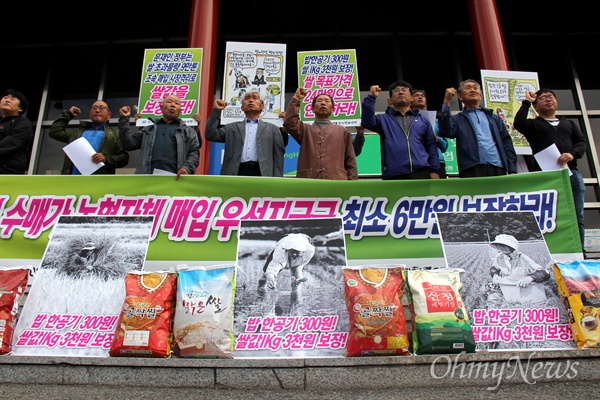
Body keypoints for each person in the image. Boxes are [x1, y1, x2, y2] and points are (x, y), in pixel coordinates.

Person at [513, 89, 587, 258]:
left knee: (577, 215)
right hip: (546, 176)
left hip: (571, 173)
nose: (548, 100)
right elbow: (519, 124)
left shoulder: (568, 124)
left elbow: (582, 142)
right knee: (550, 215)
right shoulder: (534, 125)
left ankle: (580, 252)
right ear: (536, 106)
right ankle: (553, 253)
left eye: (551, 97)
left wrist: (572, 154)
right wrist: (526, 102)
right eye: (543, 98)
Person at [438, 79, 517, 178]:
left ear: (480, 95)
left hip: (498, 166)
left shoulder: (494, 118)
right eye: (468, 88)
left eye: (475, 88)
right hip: (471, 168)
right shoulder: (457, 119)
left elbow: (507, 143)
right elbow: (446, 131)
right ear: (460, 96)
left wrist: (512, 169)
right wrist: (446, 102)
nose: (472, 90)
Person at [361, 81, 440, 180]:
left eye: (404, 90)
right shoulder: (383, 119)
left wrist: (435, 171)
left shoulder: (423, 120)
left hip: (421, 172)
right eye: (396, 90)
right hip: (394, 174)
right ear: (390, 100)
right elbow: (367, 121)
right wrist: (371, 97)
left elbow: (431, 146)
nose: (401, 92)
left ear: (411, 98)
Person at [204, 91, 286, 177]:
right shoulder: (231, 128)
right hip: (235, 173)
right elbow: (210, 134)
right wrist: (216, 111)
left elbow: (278, 157)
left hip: (262, 174)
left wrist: (277, 180)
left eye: (254, 98)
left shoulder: (273, 129)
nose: (251, 100)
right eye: (247, 98)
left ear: (262, 106)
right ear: (242, 107)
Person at [118, 95, 200, 180]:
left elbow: (194, 152)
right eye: (169, 101)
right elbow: (128, 144)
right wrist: (124, 119)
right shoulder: (148, 129)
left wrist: (186, 168)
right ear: (161, 107)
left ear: (180, 110)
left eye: (177, 103)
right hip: (146, 180)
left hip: (175, 180)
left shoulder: (189, 132)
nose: (173, 105)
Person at [283, 88, 358, 180]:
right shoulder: (305, 129)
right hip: (310, 182)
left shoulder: (343, 131)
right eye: (319, 101)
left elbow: (351, 160)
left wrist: (352, 184)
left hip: (337, 182)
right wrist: (296, 99)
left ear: (333, 110)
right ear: (313, 109)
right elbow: (289, 122)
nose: (323, 103)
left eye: (327, 101)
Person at [49, 100, 129, 175]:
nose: (97, 110)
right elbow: (55, 132)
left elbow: (124, 158)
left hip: (98, 183)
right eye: (94, 108)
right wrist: (68, 114)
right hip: (73, 182)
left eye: (102, 108)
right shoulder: (76, 133)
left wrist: (106, 159)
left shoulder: (115, 135)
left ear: (109, 115)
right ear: (90, 113)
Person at [411, 89, 448, 179]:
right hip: (416, 162)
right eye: (417, 95)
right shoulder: (407, 121)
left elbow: (445, 146)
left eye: (422, 96)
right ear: (410, 100)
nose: (420, 97)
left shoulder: (436, 121)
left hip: (438, 161)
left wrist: (437, 139)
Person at [0, 89, 34, 174]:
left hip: (7, 173)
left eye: (13, 99)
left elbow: (10, 144)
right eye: (5, 97)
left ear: (20, 108)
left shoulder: (23, 123)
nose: (7, 100)